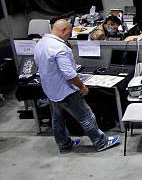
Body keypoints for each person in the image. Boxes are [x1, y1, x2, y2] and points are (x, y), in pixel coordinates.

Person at [33, 19, 120, 153]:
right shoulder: (59, 48)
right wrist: (82, 87)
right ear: (63, 30)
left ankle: (64, 144)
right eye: (69, 32)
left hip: (51, 90)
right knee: (86, 117)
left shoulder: (41, 43)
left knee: (58, 119)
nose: (70, 35)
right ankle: (101, 142)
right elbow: (69, 74)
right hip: (66, 91)